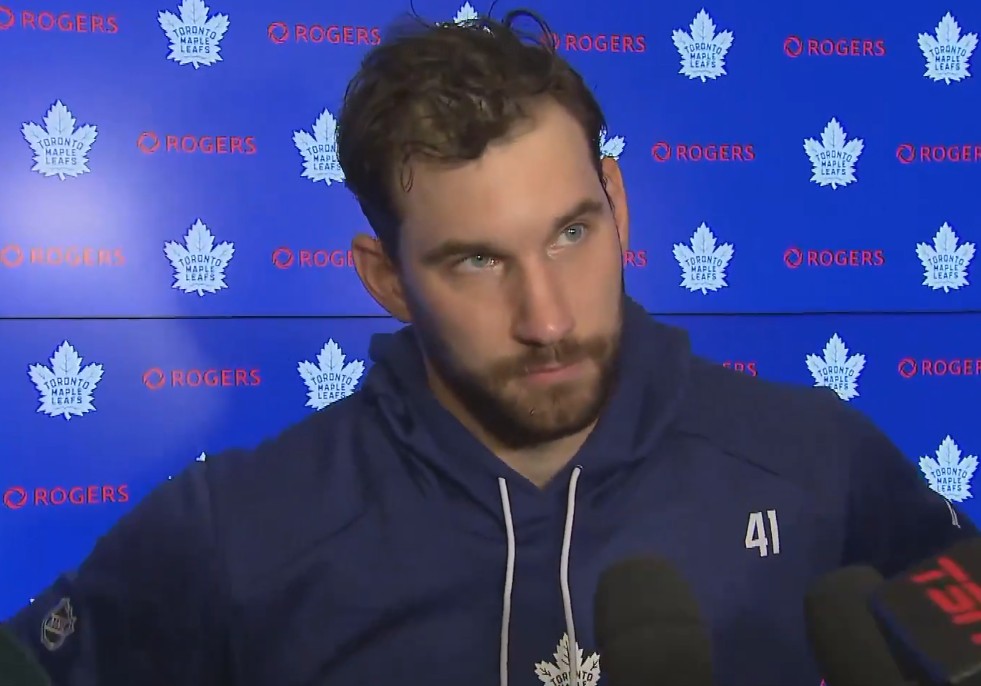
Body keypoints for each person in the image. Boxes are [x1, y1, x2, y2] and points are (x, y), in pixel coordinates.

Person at [3, 9, 975, 686]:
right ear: (385, 277)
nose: (547, 317)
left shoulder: (817, 459)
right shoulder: (232, 529)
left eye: (571, 232)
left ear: (617, 201)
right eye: (476, 260)